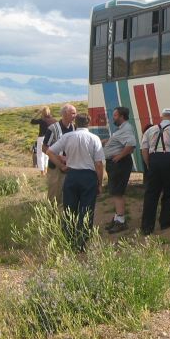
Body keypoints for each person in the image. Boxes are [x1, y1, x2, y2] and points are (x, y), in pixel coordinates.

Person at [46, 113, 105, 251]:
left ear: (76, 123)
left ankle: (68, 240)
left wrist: (61, 165)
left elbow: (49, 151)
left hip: (71, 175)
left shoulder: (67, 137)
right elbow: (99, 164)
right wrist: (100, 182)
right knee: (86, 210)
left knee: (69, 209)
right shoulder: (94, 138)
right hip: (88, 176)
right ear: (88, 123)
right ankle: (81, 243)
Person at [139, 107, 170, 236]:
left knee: (151, 194)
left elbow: (144, 149)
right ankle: (165, 222)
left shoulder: (150, 130)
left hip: (154, 160)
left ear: (162, 117)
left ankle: (147, 227)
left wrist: (149, 164)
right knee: (169, 192)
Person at [101, 106, 137, 233]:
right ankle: (117, 218)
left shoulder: (126, 128)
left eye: (115, 115)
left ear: (122, 117)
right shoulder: (121, 129)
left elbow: (131, 145)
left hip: (119, 164)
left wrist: (119, 156)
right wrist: (107, 141)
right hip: (115, 164)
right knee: (115, 192)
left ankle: (121, 221)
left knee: (117, 192)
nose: (113, 118)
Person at [41, 104, 77, 205]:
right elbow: (44, 148)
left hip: (70, 164)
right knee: (54, 190)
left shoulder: (74, 127)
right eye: (73, 113)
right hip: (55, 166)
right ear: (65, 114)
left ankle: (62, 212)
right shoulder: (53, 128)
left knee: (66, 189)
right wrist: (58, 158)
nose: (75, 115)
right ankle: (51, 214)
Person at [30, 106, 55, 175]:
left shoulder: (42, 120)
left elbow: (32, 121)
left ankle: (42, 172)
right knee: (46, 155)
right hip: (49, 138)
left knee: (40, 154)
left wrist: (38, 113)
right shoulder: (53, 120)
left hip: (41, 138)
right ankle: (46, 170)